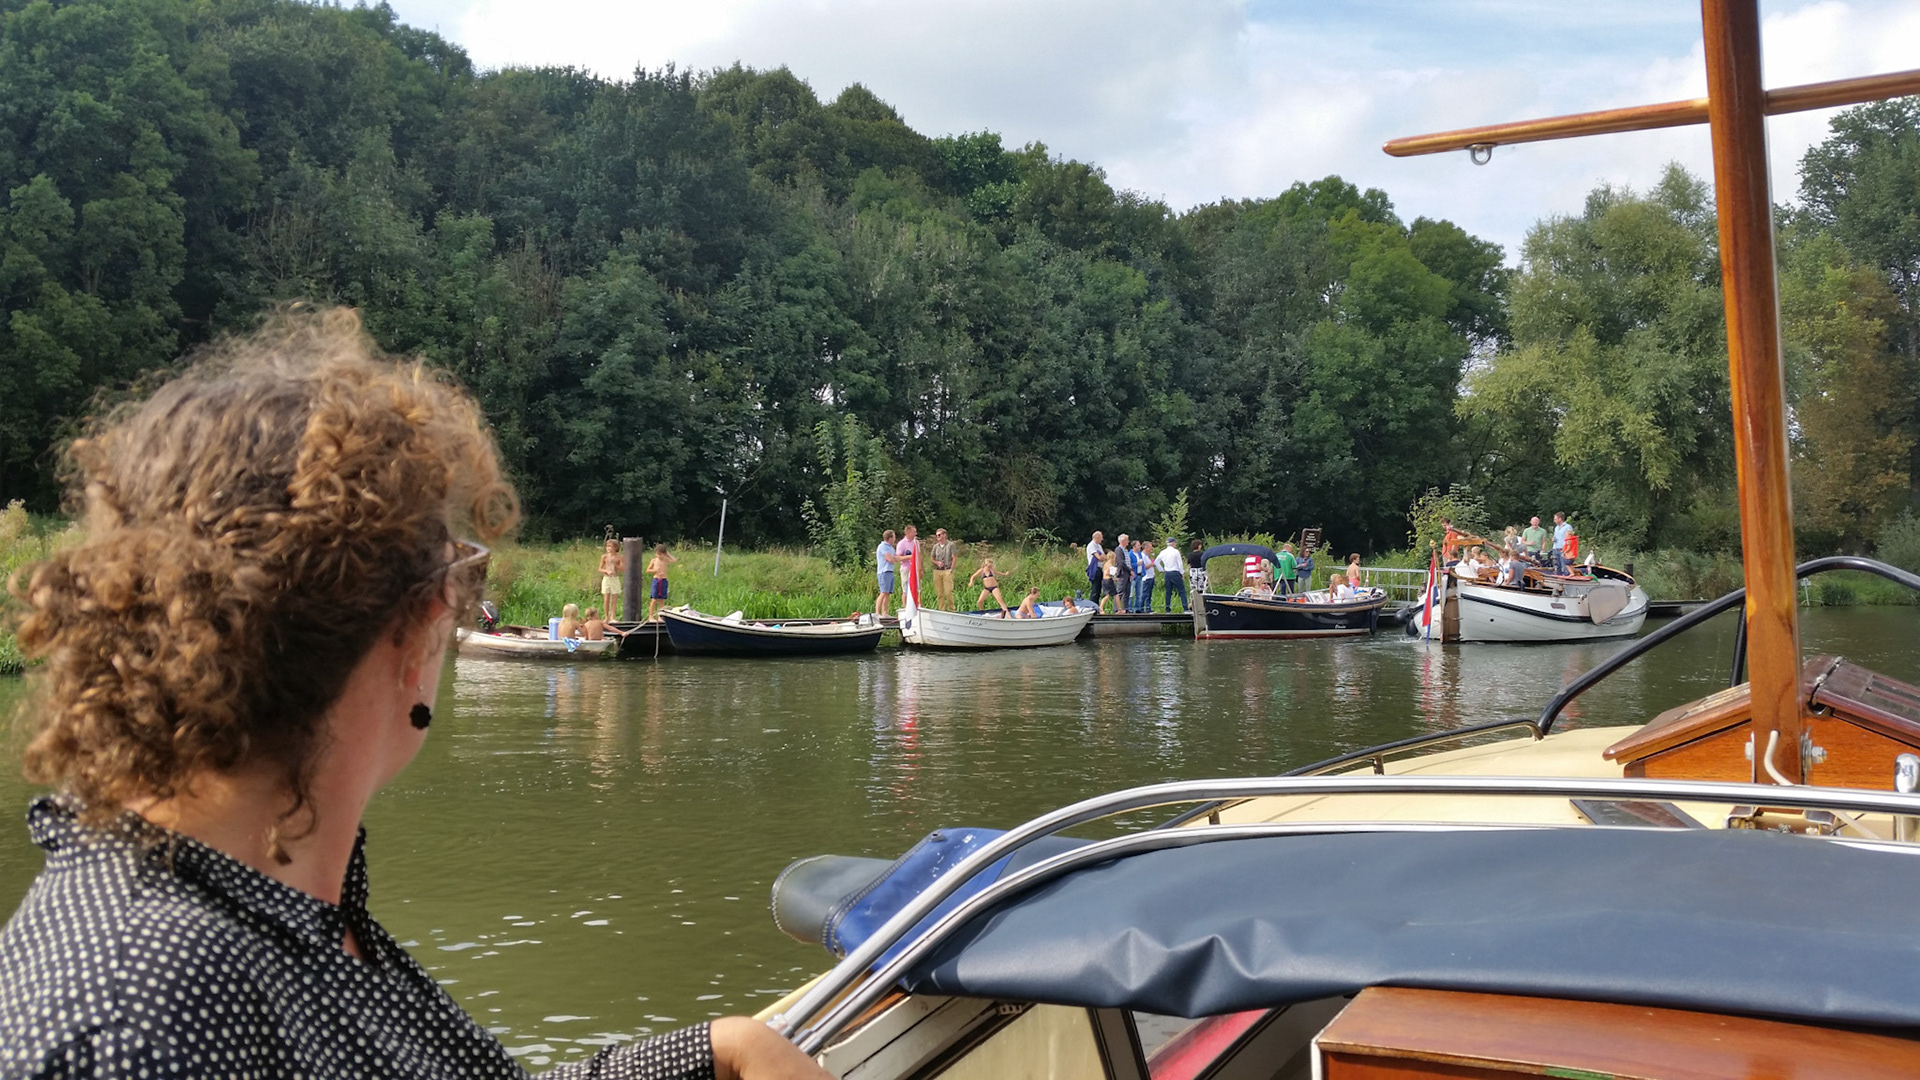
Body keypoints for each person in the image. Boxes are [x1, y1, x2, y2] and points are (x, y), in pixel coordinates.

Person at [0, 309, 824, 1080]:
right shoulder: (131, 1024)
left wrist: (707, 1053)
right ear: (420, 618)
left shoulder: (272, 892)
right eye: (460, 572)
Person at [645, 543, 678, 621]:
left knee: (662, 600)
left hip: (663, 580)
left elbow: (674, 560)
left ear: (664, 554)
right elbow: (647, 570)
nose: (659, 556)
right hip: (656, 580)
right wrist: (654, 570)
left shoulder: (666, 560)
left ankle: (660, 616)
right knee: (654, 599)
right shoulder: (654, 560)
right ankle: (651, 616)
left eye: (661, 554)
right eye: (657, 554)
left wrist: (667, 554)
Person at [930, 528, 958, 611]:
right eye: (937, 535)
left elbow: (954, 558)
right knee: (939, 593)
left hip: (947, 570)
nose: (937, 537)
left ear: (944, 535)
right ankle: (942, 609)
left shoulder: (951, 545)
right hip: (937, 571)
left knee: (948, 592)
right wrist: (937, 562)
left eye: (939, 535)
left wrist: (951, 569)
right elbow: (932, 558)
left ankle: (952, 609)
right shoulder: (935, 546)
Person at [1156, 538, 1187, 613]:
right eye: (1175, 543)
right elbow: (1179, 563)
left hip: (1167, 573)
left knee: (1168, 591)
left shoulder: (1163, 552)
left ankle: (1167, 609)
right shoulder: (1175, 552)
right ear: (1172, 543)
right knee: (1182, 590)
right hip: (1175, 572)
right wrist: (1182, 573)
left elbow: (1156, 562)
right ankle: (1185, 608)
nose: (1176, 544)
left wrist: (1161, 569)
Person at [597, 538, 625, 621]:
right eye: (607, 546)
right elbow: (599, 568)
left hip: (615, 578)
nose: (608, 548)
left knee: (614, 599)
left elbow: (624, 569)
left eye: (610, 546)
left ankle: (613, 616)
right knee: (606, 598)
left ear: (615, 547)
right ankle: (606, 616)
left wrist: (616, 565)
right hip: (606, 578)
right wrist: (606, 571)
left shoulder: (619, 557)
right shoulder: (604, 557)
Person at [874, 529, 900, 617]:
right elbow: (889, 559)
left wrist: (908, 557)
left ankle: (884, 612)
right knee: (883, 592)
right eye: (894, 537)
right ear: (890, 537)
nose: (895, 539)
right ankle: (877, 612)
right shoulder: (883, 546)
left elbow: (896, 558)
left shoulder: (891, 548)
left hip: (890, 571)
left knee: (888, 593)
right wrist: (893, 559)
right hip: (883, 571)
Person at [895, 524, 921, 608]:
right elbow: (898, 558)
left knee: (917, 588)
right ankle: (905, 606)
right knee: (905, 589)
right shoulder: (901, 543)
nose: (915, 534)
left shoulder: (916, 542)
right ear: (908, 533)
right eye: (914, 532)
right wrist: (910, 557)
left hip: (915, 569)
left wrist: (921, 568)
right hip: (906, 569)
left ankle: (917, 606)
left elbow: (919, 556)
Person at [1113, 533, 1134, 612]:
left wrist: (1131, 570)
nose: (1128, 542)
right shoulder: (1118, 549)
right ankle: (1116, 609)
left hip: (1127, 572)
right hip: (1122, 572)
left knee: (1127, 591)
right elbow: (1121, 562)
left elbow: (1128, 562)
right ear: (1123, 541)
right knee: (1120, 591)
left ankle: (1125, 608)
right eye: (1127, 540)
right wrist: (1129, 570)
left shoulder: (1125, 550)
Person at [1133, 540, 1155, 613]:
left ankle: (1148, 608)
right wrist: (1151, 564)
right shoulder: (1142, 555)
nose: (1151, 549)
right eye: (1150, 547)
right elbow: (1144, 566)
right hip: (1146, 577)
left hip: (1151, 576)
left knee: (1149, 594)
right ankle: (1141, 608)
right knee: (1144, 594)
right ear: (1146, 547)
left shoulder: (1147, 556)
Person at [1085, 531, 1106, 597]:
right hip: (1094, 568)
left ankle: (1097, 605)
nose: (1102, 539)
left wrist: (1102, 557)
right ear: (1097, 537)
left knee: (1099, 589)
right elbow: (1099, 557)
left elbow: (1104, 556)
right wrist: (1101, 557)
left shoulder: (1099, 546)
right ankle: (1093, 605)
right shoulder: (1091, 545)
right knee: (1095, 589)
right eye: (1101, 538)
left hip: (1100, 568)